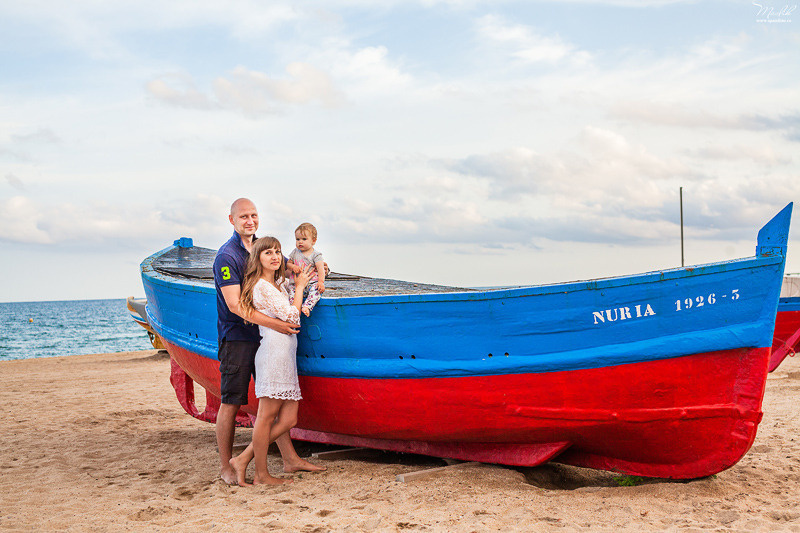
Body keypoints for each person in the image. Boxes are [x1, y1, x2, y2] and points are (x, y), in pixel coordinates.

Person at [213, 198, 324, 485]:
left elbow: (293, 269)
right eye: (243, 217)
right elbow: (237, 306)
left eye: (253, 215)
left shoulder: (262, 246)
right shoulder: (228, 256)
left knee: (271, 403)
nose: (249, 221)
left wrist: (317, 267)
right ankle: (228, 466)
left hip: (265, 337)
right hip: (238, 336)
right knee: (232, 401)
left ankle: (288, 458)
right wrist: (280, 324)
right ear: (232, 220)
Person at [228, 236, 311, 485]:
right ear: (258, 258)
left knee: (289, 419)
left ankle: (243, 458)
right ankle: (262, 475)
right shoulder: (261, 287)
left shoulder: (277, 284)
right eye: (268, 253)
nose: (275, 257)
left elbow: (292, 296)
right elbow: (291, 316)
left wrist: (310, 272)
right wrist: (299, 288)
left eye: (277, 252)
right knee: (266, 416)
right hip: (273, 354)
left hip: (284, 355)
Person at [286, 222, 326, 316]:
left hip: (311, 283)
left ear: (313, 241)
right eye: (298, 239)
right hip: (296, 284)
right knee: (291, 293)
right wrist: (293, 267)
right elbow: (288, 264)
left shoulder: (316, 255)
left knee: (316, 292)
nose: (300, 242)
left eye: (304, 239)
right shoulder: (295, 252)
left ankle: (307, 306)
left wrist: (320, 282)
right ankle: (294, 309)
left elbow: (321, 269)